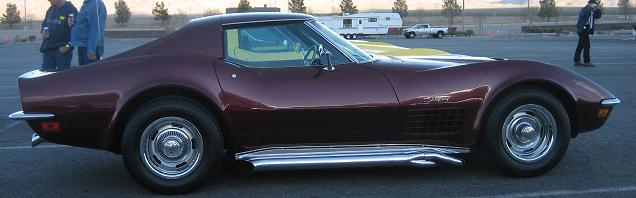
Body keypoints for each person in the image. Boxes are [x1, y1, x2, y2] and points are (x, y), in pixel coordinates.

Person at [40, 0, 77, 71]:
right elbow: (44, 25)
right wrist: (43, 32)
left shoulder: (71, 11)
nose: (49, 1)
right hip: (48, 50)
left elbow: (76, 32)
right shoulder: (50, 10)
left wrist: (68, 46)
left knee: (62, 78)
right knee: (46, 77)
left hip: (62, 52)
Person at [67, 0, 106, 65]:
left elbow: (96, 28)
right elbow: (84, 24)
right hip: (83, 46)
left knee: (91, 73)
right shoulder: (87, 4)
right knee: (84, 73)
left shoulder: (95, 4)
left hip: (90, 48)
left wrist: (91, 50)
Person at [574, 0, 602, 67]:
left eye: (595, 4)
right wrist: (591, 8)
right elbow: (585, 14)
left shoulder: (592, 10)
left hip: (587, 30)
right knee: (587, 46)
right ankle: (587, 62)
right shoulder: (584, 9)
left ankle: (576, 61)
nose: (594, 5)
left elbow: (598, 16)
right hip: (583, 30)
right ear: (589, 3)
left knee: (580, 46)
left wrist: (597, 8)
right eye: (593, 4)